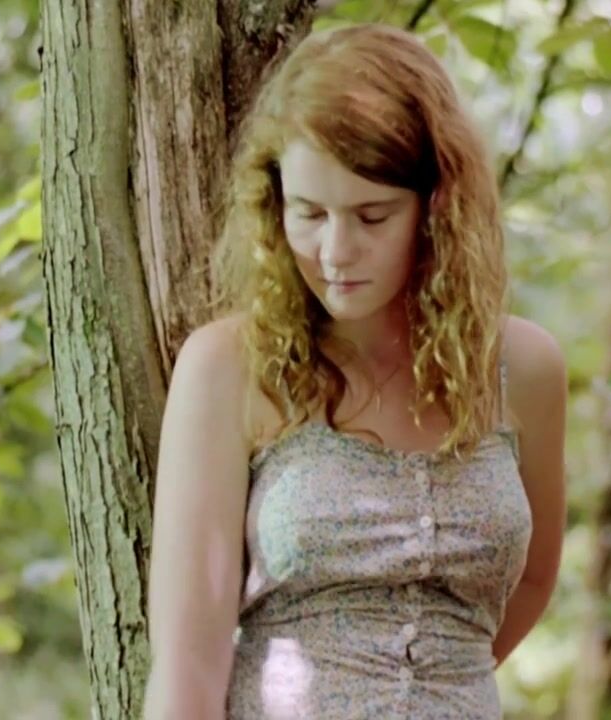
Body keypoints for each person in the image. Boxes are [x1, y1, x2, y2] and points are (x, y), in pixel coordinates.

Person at [143, 21, 567, 720]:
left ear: (436, 207)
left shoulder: (523, 368)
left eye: (372, 216)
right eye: (309, 213)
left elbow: (534, 580)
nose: (336, 252)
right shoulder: (228, 368)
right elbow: (188, 662)